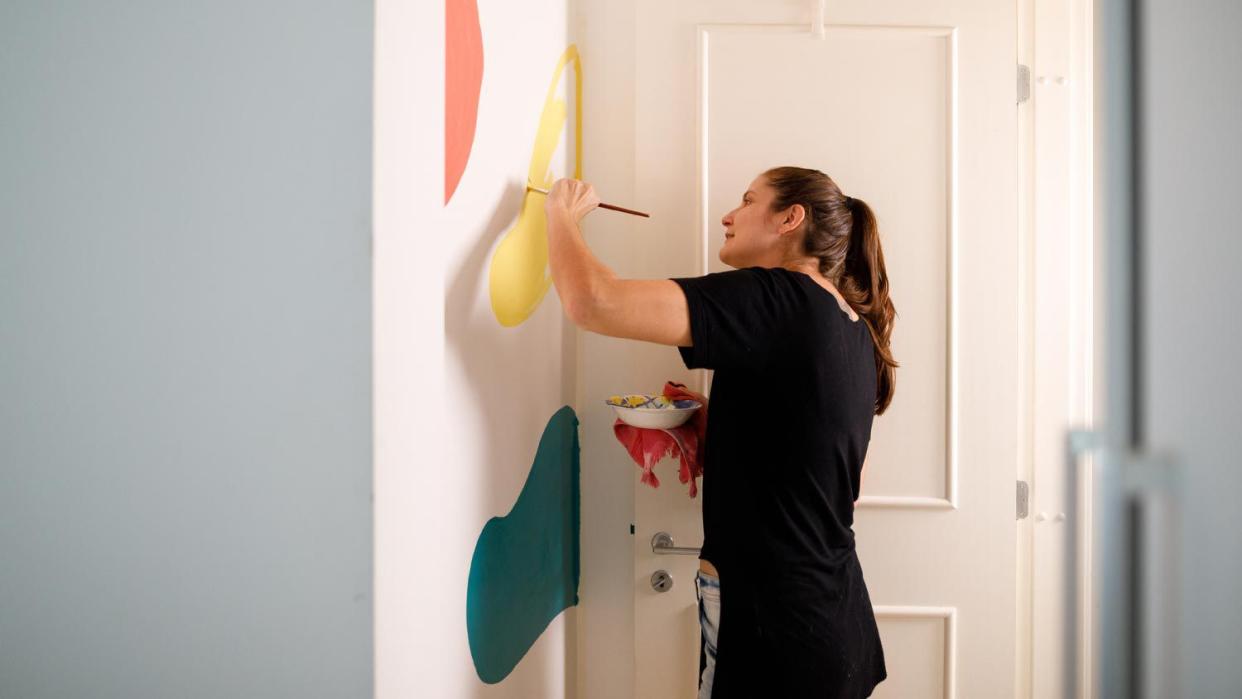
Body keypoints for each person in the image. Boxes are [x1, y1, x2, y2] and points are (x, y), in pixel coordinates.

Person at [544, 166, 897, 698]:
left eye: (748, 200)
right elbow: (830, 470)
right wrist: (722, 425)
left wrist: (561, 215)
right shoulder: (850, 325)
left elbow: (592, 301)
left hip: (774, 630)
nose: (729, 216)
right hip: (831, 619)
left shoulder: (777, 298)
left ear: (790, 219)